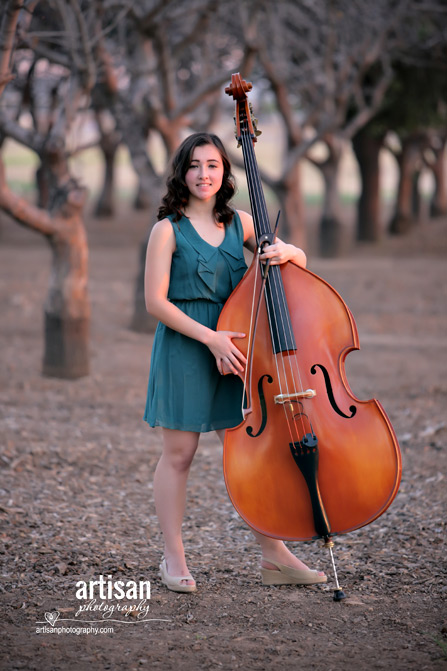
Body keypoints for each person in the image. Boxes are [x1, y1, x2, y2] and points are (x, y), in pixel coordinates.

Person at [143, 132, 327, 593]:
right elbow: (155, 302)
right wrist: (211, 339)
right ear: (181, 172)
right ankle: (173, 558)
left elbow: (295, 261)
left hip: (238, 352)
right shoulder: (167, 229)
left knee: (249, 449)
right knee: (180, 454)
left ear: (225, 172)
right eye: (194, 165)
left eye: (213, 165)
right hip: (189, 345)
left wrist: (288, 252)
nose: (203, 174)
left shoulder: (242, 223)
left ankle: (274, 556)